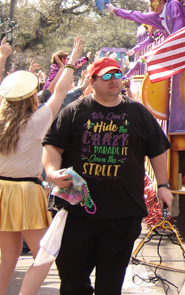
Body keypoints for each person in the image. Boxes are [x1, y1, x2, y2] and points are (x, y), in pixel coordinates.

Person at [42, 57, 173, 295]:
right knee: (72, 277)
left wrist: (163, 185)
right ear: (91, 81)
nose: (114, 80)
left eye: (117, 75)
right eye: (106, 76)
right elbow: (52, 146)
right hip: (76, 212)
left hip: (123, 212)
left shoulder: (138, 112)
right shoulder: (74, 111)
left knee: (110, 282)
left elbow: (157, 149)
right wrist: (51, 172)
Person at [0, 38, 80, 295]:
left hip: (1, 189)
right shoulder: (37, 121)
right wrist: (72, 63)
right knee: (44, 255)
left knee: (7, 257)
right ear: (31, 97)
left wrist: (2, 58)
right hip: (25, 191)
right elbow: (60, 93)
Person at [104, 0, 185, 36]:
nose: (150, 5)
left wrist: (171, 44)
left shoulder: (173, 5)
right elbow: (137, 16)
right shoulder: (158, 16)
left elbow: (179, 26)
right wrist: (114, 10)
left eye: (152, 1)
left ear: (161, 0)